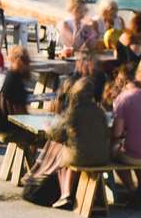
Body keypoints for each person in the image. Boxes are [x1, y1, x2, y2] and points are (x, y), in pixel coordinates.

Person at [41, 75, 110, 209]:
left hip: (81, 157)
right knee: (75, 151)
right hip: (102, 157)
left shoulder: (74, 112)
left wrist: (47, 128)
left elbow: (58, 134)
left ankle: (65, 194)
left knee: (62, 154)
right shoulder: (100, 111)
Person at [0, 44, 34, 145]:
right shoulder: (14, 79)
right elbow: (20, 113)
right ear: (21, 61)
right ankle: (33, 160)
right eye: (27, 62)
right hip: (6, 127)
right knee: (41, 137)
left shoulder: (5, 75)